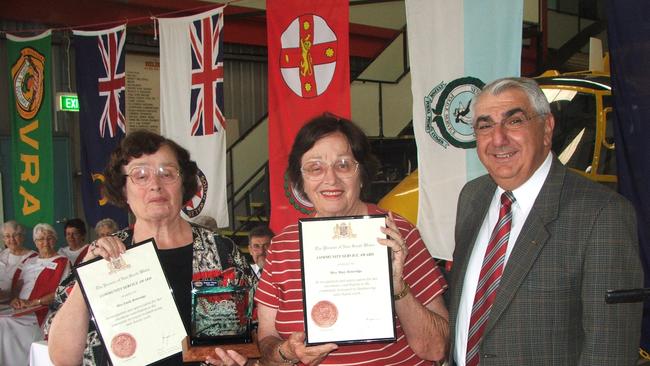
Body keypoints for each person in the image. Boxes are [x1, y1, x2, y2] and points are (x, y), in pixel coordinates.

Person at [448, 77, 643, 365]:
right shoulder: (472, 198)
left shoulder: (602, 215)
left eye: (514, 121)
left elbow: (610, 350)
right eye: (485, 125)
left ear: (547, 128)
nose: (498, 139)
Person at [46, 130, 256, 366]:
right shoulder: (104, 256)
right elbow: (63, 358)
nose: (155, 185)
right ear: (124, 189)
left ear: (183, 184)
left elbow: (254, 329)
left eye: (167, 174)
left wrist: (243, 360)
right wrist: (89, 274)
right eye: (140, 175)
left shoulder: (221, 251)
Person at [253, 114, 449, 365]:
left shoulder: (397, 233)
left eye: (343, 165)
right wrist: (287, 352)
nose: (331, 179)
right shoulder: (283, 246)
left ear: (362, 173)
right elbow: (267, 341)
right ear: (300, 179)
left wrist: (398, 288)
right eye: (315, 167)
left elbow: (436, 349)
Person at [0, 223, 70, 366]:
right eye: (40, 239)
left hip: (41, 310)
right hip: (21, 307)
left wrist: (34, 302)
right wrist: (15, 300)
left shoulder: (63, 261)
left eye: (49, 238)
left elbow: (62, 292)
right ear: (35, 242)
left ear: (55, 240)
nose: (45, 243)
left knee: (4, 323)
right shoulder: (28, 261)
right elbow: (17, 288)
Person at [0, 220, 35, 301]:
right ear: (3, 239)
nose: (12, 239)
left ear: (22, 237)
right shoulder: (2, 254)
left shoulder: (33, 258)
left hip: (17, 303)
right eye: (7, 236)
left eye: (15, 235)